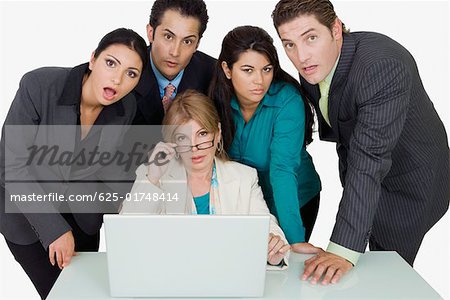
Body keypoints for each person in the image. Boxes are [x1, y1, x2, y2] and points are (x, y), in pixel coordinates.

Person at [272, 0, 450, 285]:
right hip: (367, 170)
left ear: (336, 29)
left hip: (410, 184)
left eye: (311, 38)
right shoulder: (316, 65)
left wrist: (342, 249)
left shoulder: (382, 67)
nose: (301, 56)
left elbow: (370, 158)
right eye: (289, 44)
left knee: (388, 275)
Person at [0, 28, 148, 299]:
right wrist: (53, 229)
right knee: (60, 295)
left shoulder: (125, 108)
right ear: (93, 59)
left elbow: (110, 165)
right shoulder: (39, 86)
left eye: (131, 73)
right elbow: (12, 168)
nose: (117, 79)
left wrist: (132, 208)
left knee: (89, 294)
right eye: (111, 63)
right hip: (27, 214)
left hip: (83, 215)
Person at [120, 90, 322, 268]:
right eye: (183, 138)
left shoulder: (244, 177)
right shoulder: (153, 175)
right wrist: (153, 177)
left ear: (217, 134)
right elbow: (125, 234)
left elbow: (266, 226)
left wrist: (274, 248)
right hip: (170, 277)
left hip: (228, 278)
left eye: (202, 134)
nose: (195, 147)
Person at [209, 26, 321, 251]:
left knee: (282, 267)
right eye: (248, 70)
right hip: (246, 203)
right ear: (227, 69)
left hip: (293, 200)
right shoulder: (216, 100)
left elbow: (283, 170)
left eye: (266, 69)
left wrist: (295, 240)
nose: (259, 80)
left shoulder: (287, 101)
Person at [133, 0, 216, 125]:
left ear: (197, 44)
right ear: (151, 33)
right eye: (168, 37)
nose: (175, 52)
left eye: (187, 41)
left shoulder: (214, 74)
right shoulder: (125, 70)